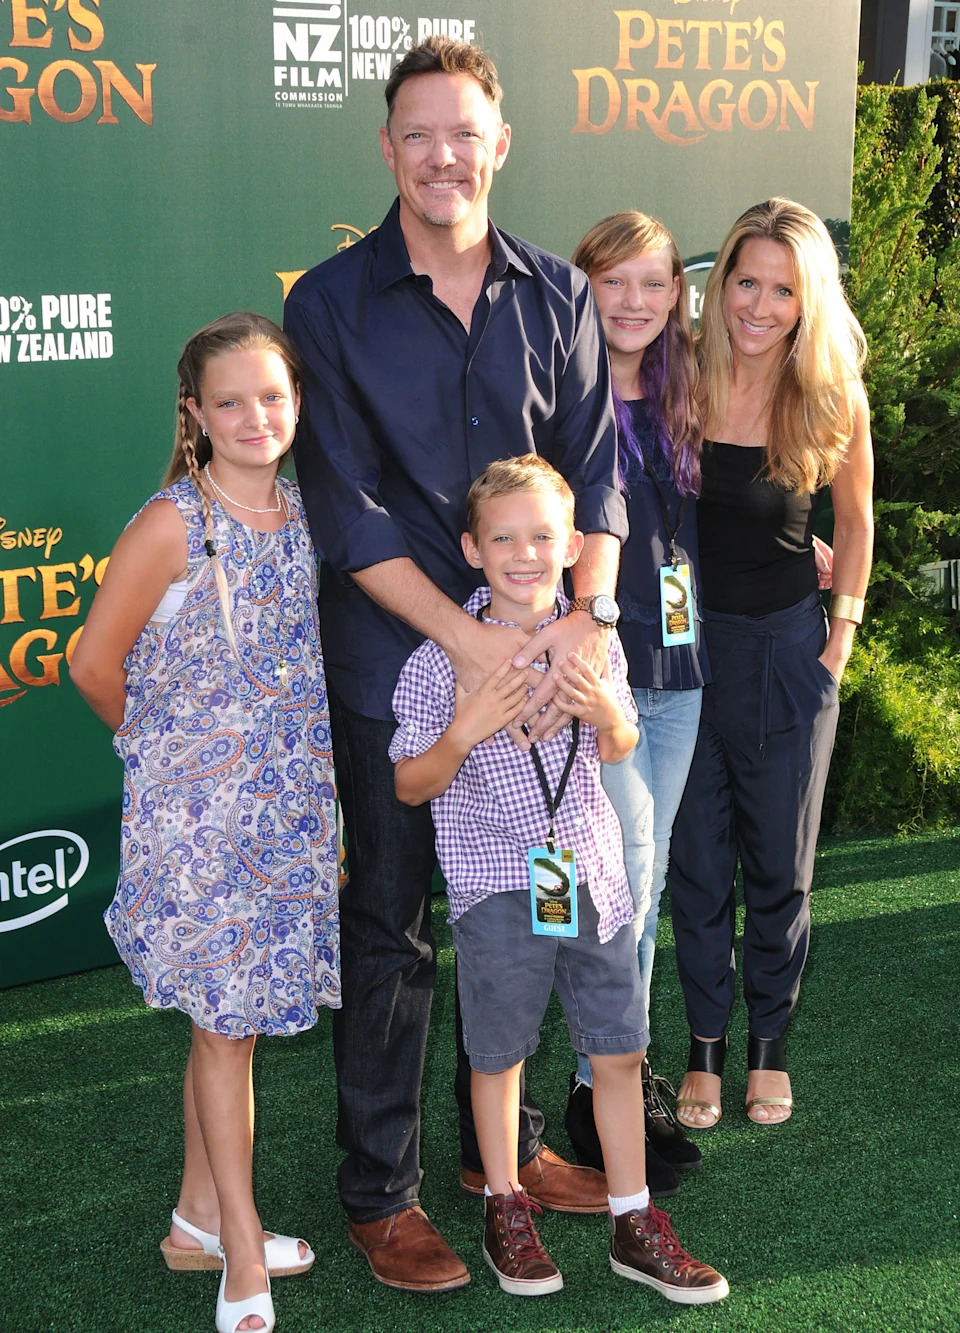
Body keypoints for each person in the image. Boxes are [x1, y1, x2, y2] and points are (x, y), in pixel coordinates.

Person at [284, 37, 625, 1291]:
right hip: (401, 666)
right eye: (418, 132)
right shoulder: (328, 301)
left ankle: (510, 1155)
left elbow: (597, 471)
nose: (443, 154)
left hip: (540, 674)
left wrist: (582, 622)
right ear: (388, 148)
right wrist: (477, 640)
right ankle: (383, 1193)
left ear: (500, 143)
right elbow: (350, 506)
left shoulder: (558, 294)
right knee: (393, 922)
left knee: (529, 905)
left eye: (464, 132)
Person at [390, 454, 729, 1303]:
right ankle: (505, 1201)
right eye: (503, 537)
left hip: (592, 874)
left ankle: (632, 1217)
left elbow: (619, 747)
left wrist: (610, 713)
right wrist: (466, 729)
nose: (524, 552)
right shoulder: (441, 660)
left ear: (575, 545)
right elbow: (407, 782)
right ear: (472, 547)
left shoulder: (590, 639)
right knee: (499, 1053)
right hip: (497, 881)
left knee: (619, 1048)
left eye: (543, 535)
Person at [70, 313, 340, 1333]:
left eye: (272, 396)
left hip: (291, 814)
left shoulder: (306, 516)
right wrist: (172, 757)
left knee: (227, 1031)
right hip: (200, 828)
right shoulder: (174, 524)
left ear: (298, 403)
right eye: (229, 401)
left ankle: (195, 1222)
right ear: (194, 414)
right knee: (226, 1036)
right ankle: (240, 1250)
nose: (254, 416)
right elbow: (94, 667)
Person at [668, 198, 873, 1129]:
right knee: (699, 857)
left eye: (781, 288)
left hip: (789, 649)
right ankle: (705, 1049)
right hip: (684, 648)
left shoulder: (830, 393)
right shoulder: (679, 376)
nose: (757, 304)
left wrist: (839, 640)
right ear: (721, 287)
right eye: (744, 280)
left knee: (781, 865)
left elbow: (857, 523)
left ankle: (768, 1047)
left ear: (807, 299)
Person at [562, 213, 707, 1191]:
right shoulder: (560, 397)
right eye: (615, 282)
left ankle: (613, 1078)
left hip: (682, 669)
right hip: (599, 679)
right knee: (625, 882)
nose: (635, 302)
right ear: (584, 288)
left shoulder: (690, 389)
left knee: (640, 891)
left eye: (653, 283)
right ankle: (602, 1081)